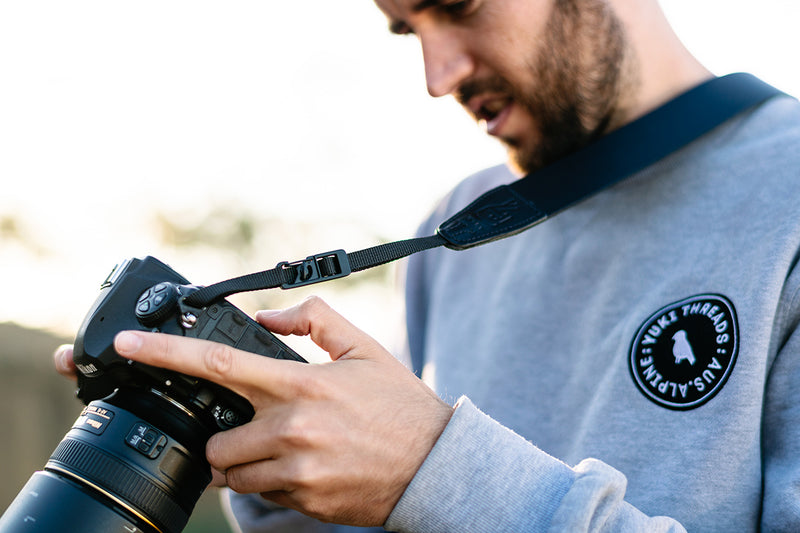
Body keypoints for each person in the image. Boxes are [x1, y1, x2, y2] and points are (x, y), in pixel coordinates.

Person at [54, 0, 800, 531]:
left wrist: (431, 469)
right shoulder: (458, 230)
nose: (438, 76)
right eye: (408, 28)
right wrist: (266, 449)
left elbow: (442, 487)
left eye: (457, 5)